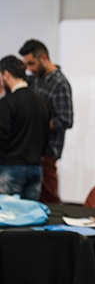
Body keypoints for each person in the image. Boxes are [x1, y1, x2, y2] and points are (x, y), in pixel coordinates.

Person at [19, 39, 73, 204]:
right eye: (26, 64)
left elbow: (65, 120)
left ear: (43, 58)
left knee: (48, 196)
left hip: (47, 151)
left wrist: (37, 124)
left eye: (31, 63)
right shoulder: (34, 79)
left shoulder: (60, 84)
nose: (29, 68)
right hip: (30, 150)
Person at [0, 55, 49, 200]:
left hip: (11, 168)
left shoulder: (7, 103)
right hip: (36, 168)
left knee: (7, 216)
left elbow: (2, 136)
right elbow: (46, 135)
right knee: (31, 216)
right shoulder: (41, 101)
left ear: (6, 74)